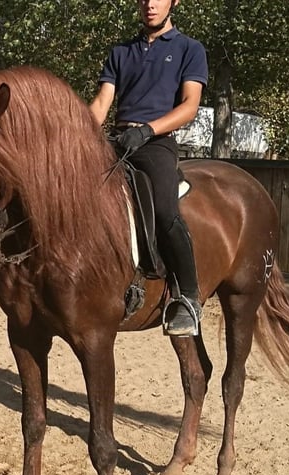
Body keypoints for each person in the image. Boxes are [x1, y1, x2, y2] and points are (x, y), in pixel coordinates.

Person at [89, 0, 208, 337]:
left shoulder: (189, 49)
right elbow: (101, 104)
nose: (149, 4)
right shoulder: (121, 51)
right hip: (118, 139)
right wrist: (73, 137)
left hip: (156, 142)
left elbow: (189, 107)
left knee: (166, 211)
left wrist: (147, 130)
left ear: (174, 2)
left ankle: (188, 298)